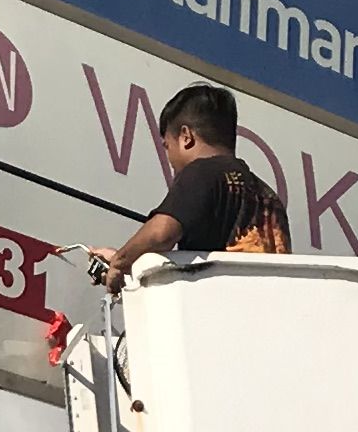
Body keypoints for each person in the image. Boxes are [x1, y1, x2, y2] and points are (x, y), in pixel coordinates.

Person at [87, 84, 287, 286]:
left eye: (167, 146)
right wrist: (126, 259)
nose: (169, 158)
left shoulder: (202, 171)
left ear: (186, 137)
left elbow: (160, 234)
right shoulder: (269, 196)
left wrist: (120, 264)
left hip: (219, 306)